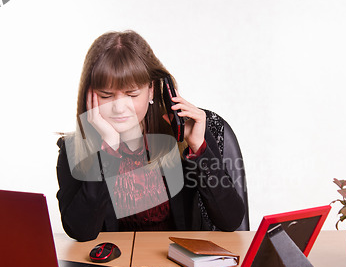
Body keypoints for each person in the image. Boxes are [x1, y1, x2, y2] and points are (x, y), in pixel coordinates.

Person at [56, 30, 245, 241]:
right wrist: (107, 150)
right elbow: (80, 231)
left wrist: (198, 148)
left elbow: (231, 220)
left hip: (179, 266)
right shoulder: (73, 149)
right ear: (89, 95)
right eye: (106, 95)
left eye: (132, 94)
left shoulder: (183, 134)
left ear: (151, 90)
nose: (120, 108)